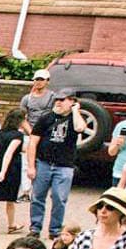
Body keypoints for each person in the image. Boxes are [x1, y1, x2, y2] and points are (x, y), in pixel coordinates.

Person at [26, 91, 82, 239]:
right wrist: (31, 166)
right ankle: (35, 227)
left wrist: (76, 110)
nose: (58, 102)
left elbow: (80, 128)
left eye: (63, 100)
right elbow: (33, 142)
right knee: (38, 197)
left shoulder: (74, 118)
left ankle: (55, 230)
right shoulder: (46, 118)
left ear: (71, 101)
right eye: (57, 99)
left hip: (64, 165)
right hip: (43, 163)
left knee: (59, 198)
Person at [0, 109, 29, 236]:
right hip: (11, 169)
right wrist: (3, 171)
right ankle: (9, 224)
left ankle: (10, 224)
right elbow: (9, 153)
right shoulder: (17, 135)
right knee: (8, 198)